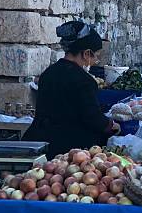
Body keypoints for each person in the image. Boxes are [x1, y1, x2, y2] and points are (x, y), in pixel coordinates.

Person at [24, 21, 120, 158]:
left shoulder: (48, 73)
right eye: (96, 55)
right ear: (87, 53)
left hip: (40, 142)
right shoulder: (84, 81)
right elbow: (92, 117)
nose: (96, 60)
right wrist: (111, 126)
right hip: (70, 150)